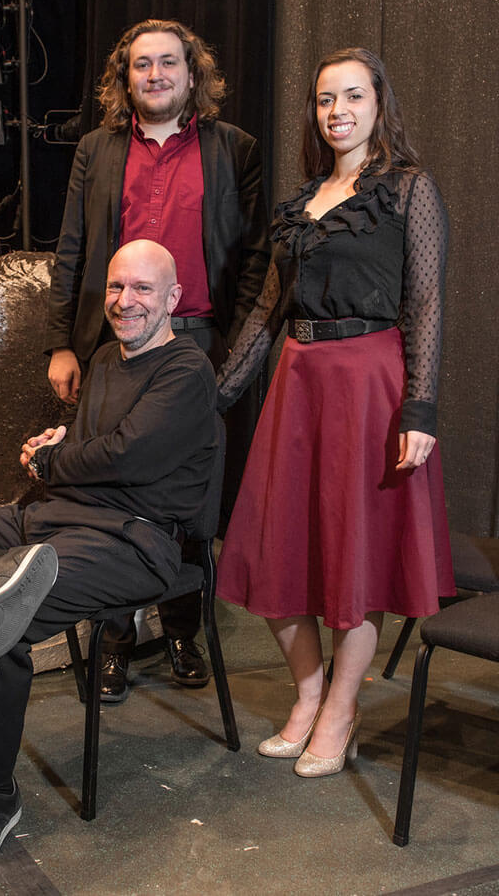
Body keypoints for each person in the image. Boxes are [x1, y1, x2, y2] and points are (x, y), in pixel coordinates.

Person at [0, 239, 216, 866]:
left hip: (132, 540)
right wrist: (58, 446)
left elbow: (128, 456)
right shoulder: (105, 363)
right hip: (53, 523)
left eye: (143, 289)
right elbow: (96, 451)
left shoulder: (185, 370)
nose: (126, 301)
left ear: (172, 298)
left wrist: (50, 458)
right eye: (117, 288)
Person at [216, 48, 455, 777]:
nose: (338, 111)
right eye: (326, 99)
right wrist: (213, 397)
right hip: (299, 383)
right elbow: (265, 310)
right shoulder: (299, 202)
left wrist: (420, 407)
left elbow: (426, 304)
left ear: (380, 104)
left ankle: (343, 708)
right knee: (272, 548)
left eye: (353, 96)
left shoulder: (408, 190)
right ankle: (308, 693)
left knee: (357, 558)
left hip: (371, 385)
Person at [47, 18, 269, 701]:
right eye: (141, 65)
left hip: (199, 342)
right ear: (125, 77)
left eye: (168, 63)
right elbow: (72, 249)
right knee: (108, 488)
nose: (155, 76)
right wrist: (61, 340)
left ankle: (181, 628)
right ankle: (113, 637)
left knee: (188, 496)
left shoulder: (236, 149)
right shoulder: (95, 149)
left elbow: (258, 259)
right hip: (113, 345)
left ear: (193, 73)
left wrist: (237, 350)